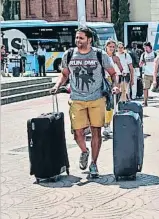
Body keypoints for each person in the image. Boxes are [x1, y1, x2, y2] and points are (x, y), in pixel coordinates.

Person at [50, 27, 119, 178]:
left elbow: (113, 74)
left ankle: (94, 164)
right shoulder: (69, 55)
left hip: (97, 98)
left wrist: (115, 86)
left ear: (89, 39)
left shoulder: (100, 55)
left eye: (81, 38)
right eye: (76, 38)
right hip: (76, 100)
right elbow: (64, 74)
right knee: (77, 132)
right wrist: (57, 86)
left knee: (96, 131)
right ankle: (84, 151)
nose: (78, 41)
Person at [103, 40, 123, 139]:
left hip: (112, 81)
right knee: (102, 104)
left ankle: (107, 124)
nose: (111, 48)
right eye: (110, 46)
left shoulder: (115, 58)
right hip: (103, 81)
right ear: (106, 46)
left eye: (113, 46)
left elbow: (120, 69)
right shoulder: (102, 56)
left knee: (111, 104)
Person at [140, 42, 156, 106]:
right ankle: (145, 101)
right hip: (146, 73)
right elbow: (140, 64)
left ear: (150, 47)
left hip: (154, 74)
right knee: (145, 88)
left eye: (146, 47)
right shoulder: (143, 55)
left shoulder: (154, 54)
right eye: (144, 48)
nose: (145, 49)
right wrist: (141, 63)